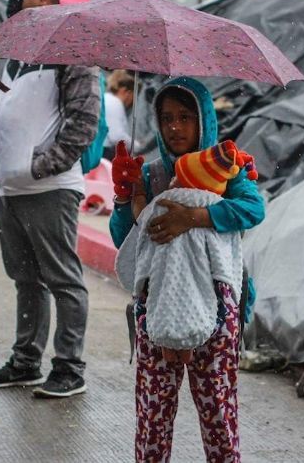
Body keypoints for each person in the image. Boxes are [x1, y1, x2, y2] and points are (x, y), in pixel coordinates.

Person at [110, 77, 265, 462]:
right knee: (153, 417)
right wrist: (123, 196)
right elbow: (123, 238)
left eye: (184, 117)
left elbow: (253, 210)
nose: (175, 127)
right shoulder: (149, 175)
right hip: (157, 308)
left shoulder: (226, 167)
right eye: (166, 118)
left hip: (218, 309)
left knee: (218, 416)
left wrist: (195, 216)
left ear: (204, 120)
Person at [0, 0, 101, 398]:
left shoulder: (74, 47)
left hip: (49, 188)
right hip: (11, 188)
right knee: (26, 280)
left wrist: (41, 165)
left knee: (63, 280)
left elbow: (84, 120)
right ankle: (26, 360)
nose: (16, 4)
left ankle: (69, 367)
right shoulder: (21, 51)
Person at [103, 70, 137, 161]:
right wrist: (136, 146)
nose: (132, 102)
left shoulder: (107, 98)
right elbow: (116, 136)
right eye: (133, 96)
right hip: (105, 153)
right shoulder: (115, 102)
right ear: (126, 92)